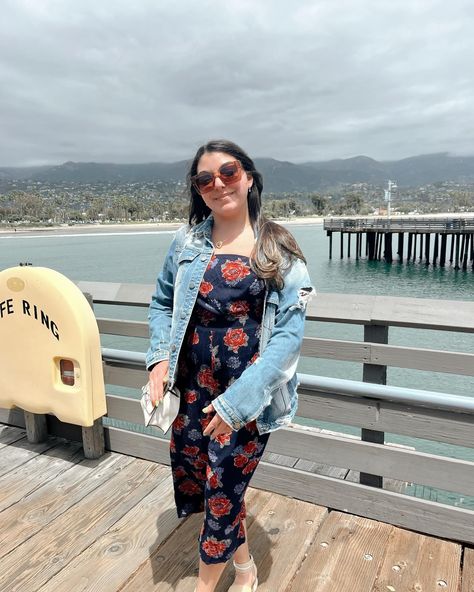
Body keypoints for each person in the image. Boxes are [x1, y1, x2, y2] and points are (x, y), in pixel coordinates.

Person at [146, 139, 314, 592]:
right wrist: (159, 360)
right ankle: (245, 569)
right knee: (210, 484)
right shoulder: (186, 242)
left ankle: (204, 586)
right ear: (198, 190)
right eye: (205, 179)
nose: (218, 183)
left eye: (229, 172)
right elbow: (163, 302)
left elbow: (287, 341)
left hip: (247, 396)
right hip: (191, 389)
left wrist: (237, 404)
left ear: (250, 177)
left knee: (223, 490)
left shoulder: (278, 250)